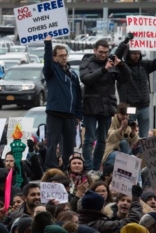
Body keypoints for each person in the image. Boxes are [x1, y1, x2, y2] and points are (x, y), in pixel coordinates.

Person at [80, 39, 131, 174]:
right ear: (95, 50)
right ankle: (89, 167)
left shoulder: (112, 62)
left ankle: (96, 168)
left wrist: (121, 66)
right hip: (91, 106)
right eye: (101, 52)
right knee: (89, 139)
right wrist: (104, 69)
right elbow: (86, 79)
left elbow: (126, 79)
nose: (103, 55)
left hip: (107, 106)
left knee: (102, 140)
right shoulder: (87, 62)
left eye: (105, 52)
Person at [114, 36, 156, 138]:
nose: (137, 56)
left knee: (144, 138)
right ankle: (130, 154)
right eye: (134, 53)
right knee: (129, 135)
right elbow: (116, 56)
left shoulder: (144, 65)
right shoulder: (121, 67)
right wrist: (125, 41)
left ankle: (143, 154)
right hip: (129, 107)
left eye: (138, 53)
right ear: (128, 54)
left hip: (144, 106)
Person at [43, 35, 82, 170]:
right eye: (60, 55)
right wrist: (48, 44)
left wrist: (78, 114)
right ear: (54, 58)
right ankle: (51, 168)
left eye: (65, 55)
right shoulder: (52, 71)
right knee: (52, 143)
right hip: (55, 112)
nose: (64, 58)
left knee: (69, 145)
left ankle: (67, 168)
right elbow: (47, 63)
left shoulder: (73, 74)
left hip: (70, 115)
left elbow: (78, 94)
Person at [101, 103, 139, 168]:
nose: (125, 117)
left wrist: (133, 131)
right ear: (117, 113)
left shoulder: (128, 122)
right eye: (123, 114)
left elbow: (134, 142)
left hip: (124, 151)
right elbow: (109, 138)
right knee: (123, 158)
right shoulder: (110, 120)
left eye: (127, 114)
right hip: (109, 150)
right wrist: (121, 129)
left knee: (135, 161)